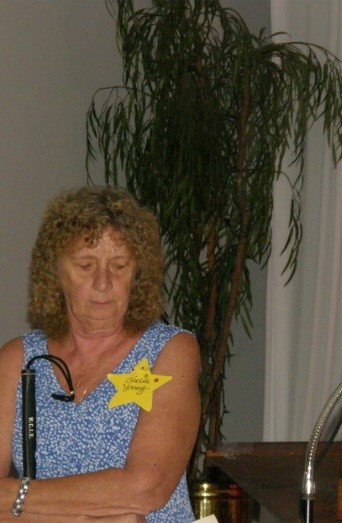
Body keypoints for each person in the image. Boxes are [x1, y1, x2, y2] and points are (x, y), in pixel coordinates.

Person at [0, 186, 201, 522]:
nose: (104, 283)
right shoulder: (17, 361)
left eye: (119, 266)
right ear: (55, 273)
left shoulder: (171, 350)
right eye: (85, 265)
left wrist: (13, 497)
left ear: (137, 274)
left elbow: (145, 489)